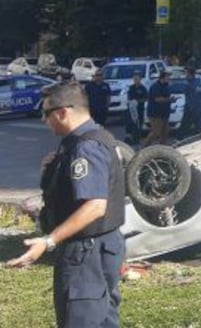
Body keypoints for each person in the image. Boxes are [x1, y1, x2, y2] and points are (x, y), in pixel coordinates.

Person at [5, 82, 125, 328]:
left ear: (62, 112)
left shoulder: (85, 147)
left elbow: (95, 206)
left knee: (81, 319)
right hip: (100, 248)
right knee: (102, 319)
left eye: (46, 113)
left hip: (86, 253)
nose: (43, 120)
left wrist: (48, 241)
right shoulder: (93, 138)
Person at [143, 71, 173, 146]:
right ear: (162, 77)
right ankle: (146, 145)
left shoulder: (166, 86)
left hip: (164, 113)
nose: (169, 78)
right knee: (156, 131)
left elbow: (167, 96)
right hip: (155, 113)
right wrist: (169, 99)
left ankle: (163, 146)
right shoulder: (155, 86)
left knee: (165, 130)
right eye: (167, 76)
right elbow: (157, 99)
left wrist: (171, 99)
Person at [177, 64, 201, 140]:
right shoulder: (195, 83)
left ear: (190, 74)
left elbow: (200, 96)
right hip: (195, 109)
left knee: (184, 126)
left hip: (192, 109)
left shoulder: (193, 84)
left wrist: (194, 107)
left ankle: (178, 141)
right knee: (199, 126)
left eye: (186, 73)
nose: (185, 75)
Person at [126, 72, 148, 146]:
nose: (135, 80)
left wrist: (138, 101)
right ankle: (130, 139)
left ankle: (137, 139)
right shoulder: (131, 88)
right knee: (131, 124)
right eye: (134, 79)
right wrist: (131, 102)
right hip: (132, 110)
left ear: (140, 79)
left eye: (137, 79)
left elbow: (146, 98)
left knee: (139, 124)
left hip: (139, 109)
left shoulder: (143, 88)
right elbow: (129, 97)